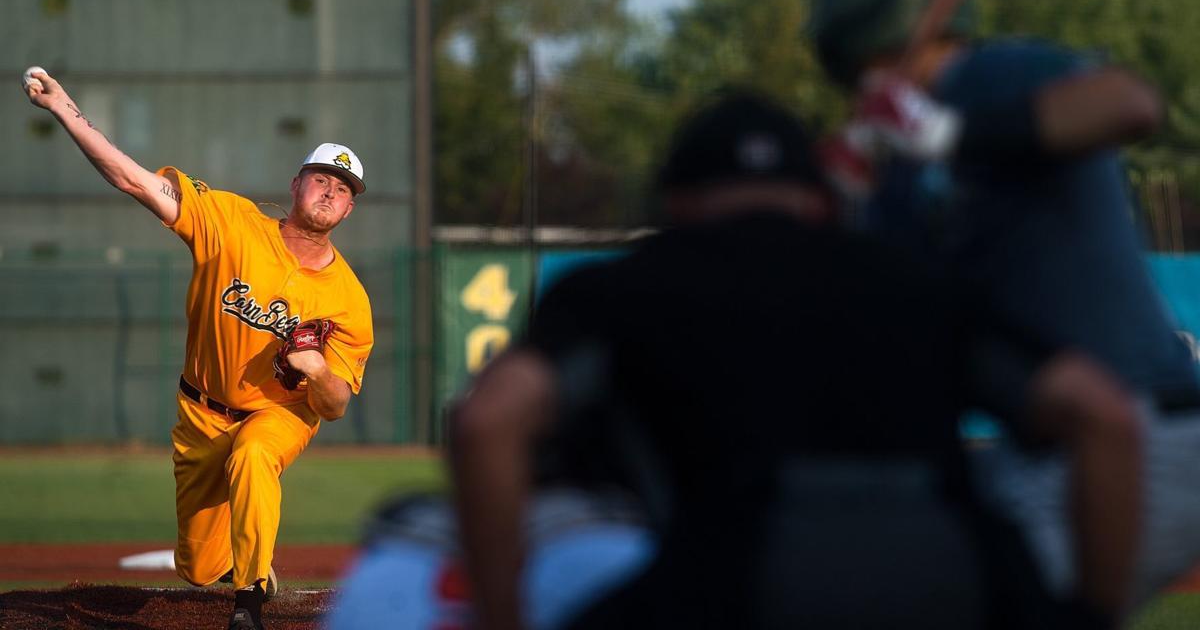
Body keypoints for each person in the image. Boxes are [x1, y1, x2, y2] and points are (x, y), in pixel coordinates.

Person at [450, 89, 1142, 630]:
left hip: (737, 582)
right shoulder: (914, 280)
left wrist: (501, 620)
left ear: (678, 201)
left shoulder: (621, 286)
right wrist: (1087, 618)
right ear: (816, 199)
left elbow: (487, 422)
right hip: (952, 579)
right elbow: (1105, 415)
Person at [807, 0, 1200, 606]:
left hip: (1136, 435)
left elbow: (1132, 103)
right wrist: (833, 209)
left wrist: (947, 132)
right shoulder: (891, 169)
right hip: (1056, 454)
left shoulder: (986, 76)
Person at [21, 69, 373, 630]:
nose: (331, 191)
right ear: (295, 183)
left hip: (280, 414)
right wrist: (66, 108)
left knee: (254, 455)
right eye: (322, 179)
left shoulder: (350, 301)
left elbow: (334, 407)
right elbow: (133, 180)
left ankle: (250, 601)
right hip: (201, 414)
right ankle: (234, 565)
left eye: (344, 189)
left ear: (349, 210)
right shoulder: (229, 223)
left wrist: (319, 374)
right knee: (198, 567)